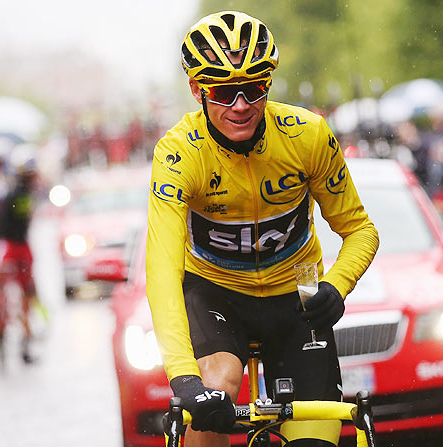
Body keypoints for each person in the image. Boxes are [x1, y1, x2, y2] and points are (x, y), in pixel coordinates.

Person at [145, 11, 379, 447]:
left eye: (253, 89)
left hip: (298, 295)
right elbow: (161, 271)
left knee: (315, 439)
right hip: (215, 291)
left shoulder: (307, 136)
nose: (240, 105)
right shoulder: (178, 153)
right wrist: (184, 380)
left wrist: (337, 285)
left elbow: (361, 230)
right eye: (223, 91)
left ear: (268, 85)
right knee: (217, 386)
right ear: (197, 90)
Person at [0, 154, 39, 364]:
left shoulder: (10, 193)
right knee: (27, 295)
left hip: (6, 248)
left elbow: (2, 223)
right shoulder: (22, 194)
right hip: (19, 249)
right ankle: (23, 341)